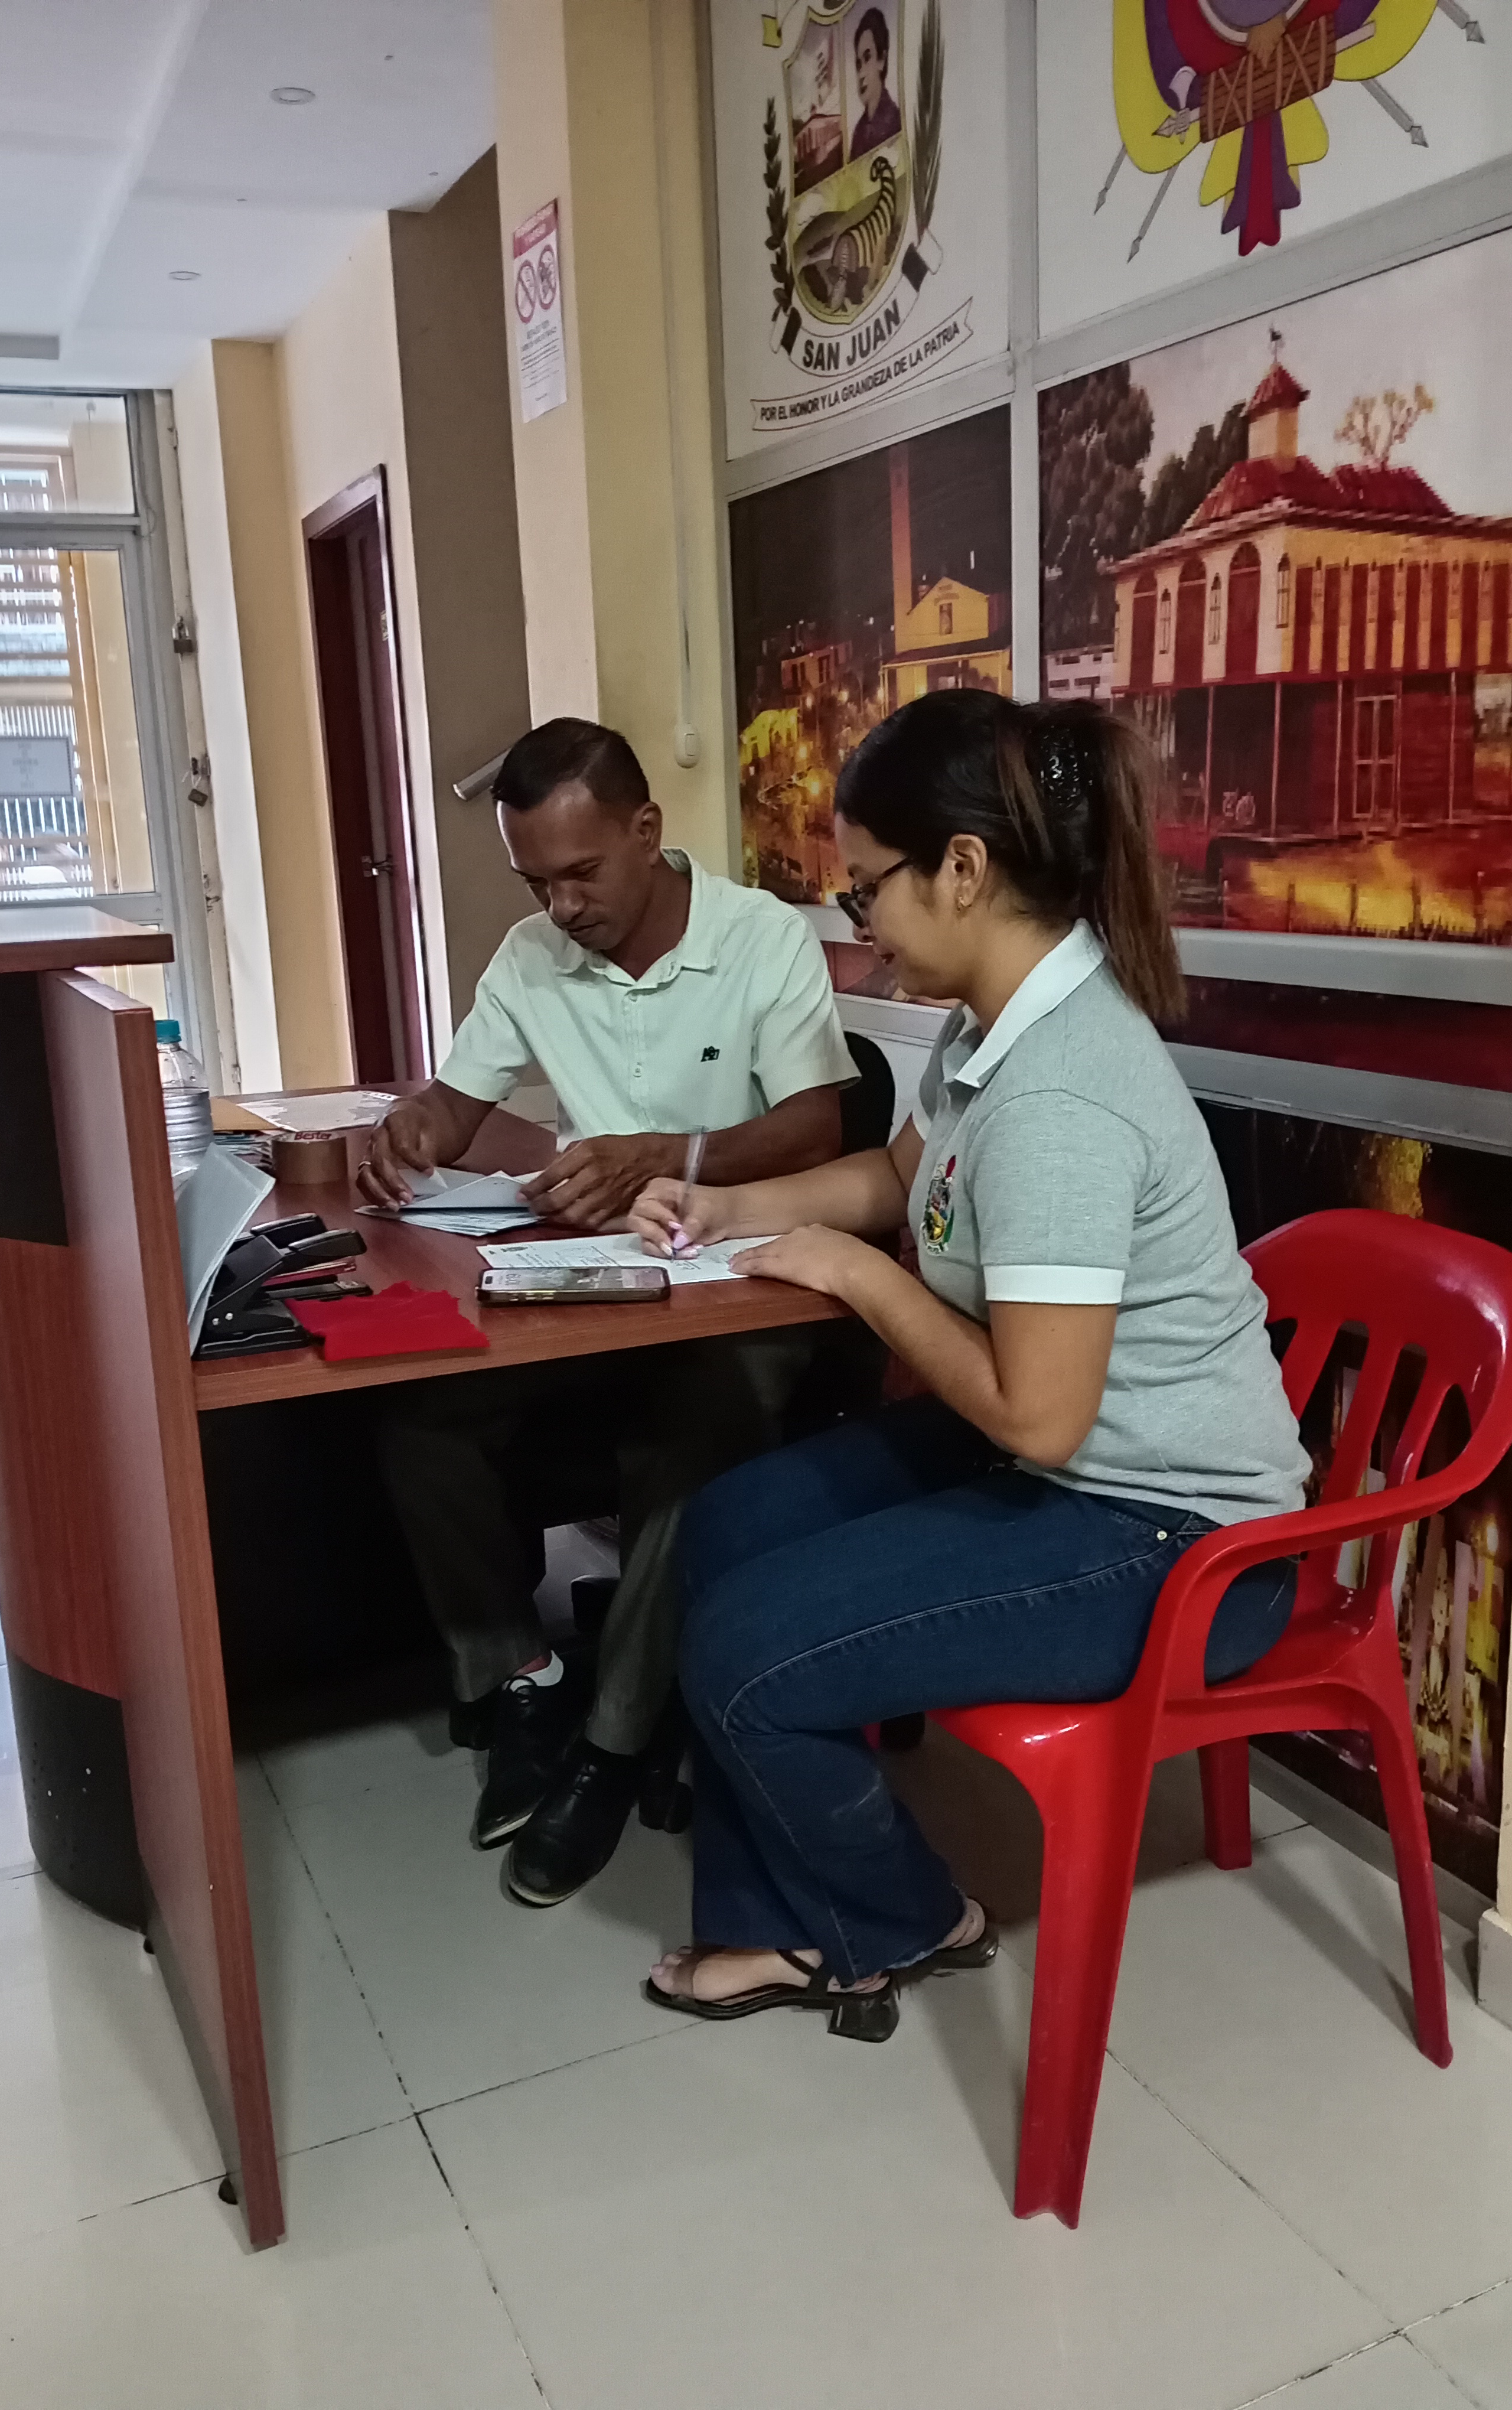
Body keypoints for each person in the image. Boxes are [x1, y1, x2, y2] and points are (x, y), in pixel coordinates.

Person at [631, 690, 1309, 2032]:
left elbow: (1040, 1416)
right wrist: (730, 1206)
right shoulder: (989, 1024)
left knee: (744, 1652)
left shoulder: (1060, 1094)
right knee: (722, 1529)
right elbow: (901, 1177)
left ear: (961, 867)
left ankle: (897, 1918)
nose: (857, 922)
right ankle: (780, 1917)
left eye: (866, 887)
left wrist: (859, 1276)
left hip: (1172, 1536)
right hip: (1066, 1464)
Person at [363, 717, 857, 1907]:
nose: (562, 905)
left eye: (581, 873)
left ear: (646, 830)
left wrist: (667, 1154)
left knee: (695, 1435)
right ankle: (521, 1677)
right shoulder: (532, 955)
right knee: (420, 1416)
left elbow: (817, 1126)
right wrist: (412, 1125)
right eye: (536, 881)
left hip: (738, 1290)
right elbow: (457, 1103)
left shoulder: (761, 940)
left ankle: (614, 1740)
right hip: (595, 1286)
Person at [849, 8, 902, 159]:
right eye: (858, 64)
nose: (861, 74)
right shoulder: (859, 132)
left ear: (882, 60)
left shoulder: (895, 121)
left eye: (868, 58)